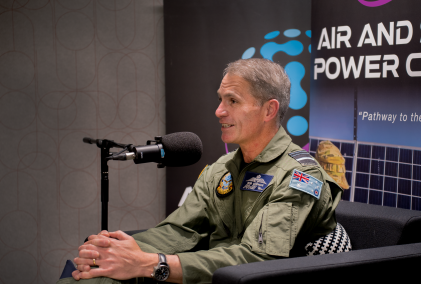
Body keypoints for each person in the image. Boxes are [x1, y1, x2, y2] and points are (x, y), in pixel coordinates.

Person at [57, 58, 342, 284]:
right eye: (220, 99)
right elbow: (181, 230)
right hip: (207, 276)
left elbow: (257, 258)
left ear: (269, 110)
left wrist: (151, 263)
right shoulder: (221, 169)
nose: (219, 111)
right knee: (92, 276)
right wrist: (116, 252)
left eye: (232, 101)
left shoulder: (300, 175)